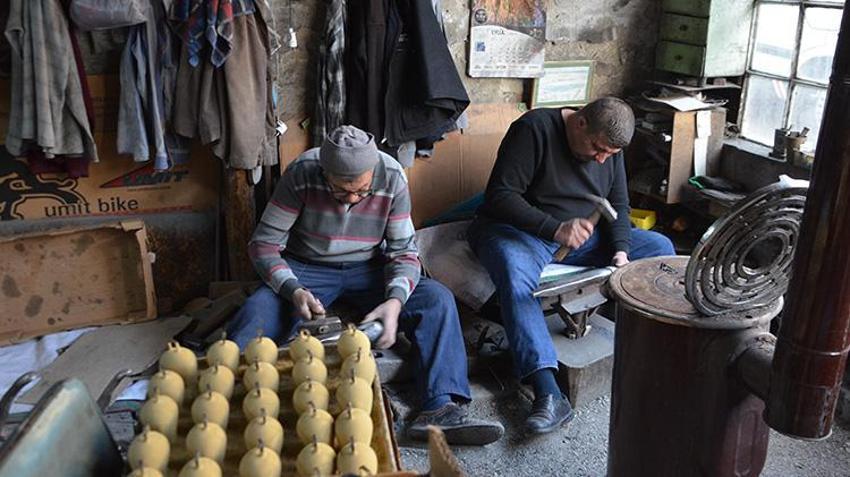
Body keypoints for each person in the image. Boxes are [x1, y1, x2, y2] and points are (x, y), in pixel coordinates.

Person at [227, 125, 504, 446]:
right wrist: (293, 289)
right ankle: (226, 398)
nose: (353, 200)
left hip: (370, 267)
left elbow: (404, 252)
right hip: (308, 266)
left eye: (362, 191)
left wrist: (396, 300)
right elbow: (264, 245)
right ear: (324, 173)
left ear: (373, 172)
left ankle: (439, 408)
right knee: (256, 310)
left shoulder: (391, 177)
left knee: (437, 300)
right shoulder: (302, 173)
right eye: (342, 192)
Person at [467, 97, 675, 434]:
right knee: (517, 278)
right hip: (520, 231)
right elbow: (501, 196)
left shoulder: (608, 151)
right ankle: (548, 391)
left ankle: (647, 351)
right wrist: (554, 228)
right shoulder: (534, 129)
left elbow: (619, 206)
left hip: (580, 238)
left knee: (660, 248)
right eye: (597, 148)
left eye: (610, 154)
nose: (601, 158)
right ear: (579, 122)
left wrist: (621, 251)